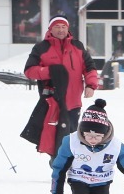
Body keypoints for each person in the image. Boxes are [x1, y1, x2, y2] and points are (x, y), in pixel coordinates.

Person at [22, 16, 100, 159]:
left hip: (73, 101)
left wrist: (91, 85)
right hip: (52, 101)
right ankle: (57, 165)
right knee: (54, 136)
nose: (61, 30)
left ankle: (69, 164)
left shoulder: (77, 46)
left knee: (71, 135)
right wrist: (49, 71)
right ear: (50, 29)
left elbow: (90, 67)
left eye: (64, 27)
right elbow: (29, 71)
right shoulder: (41, 47)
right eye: (57, 26)